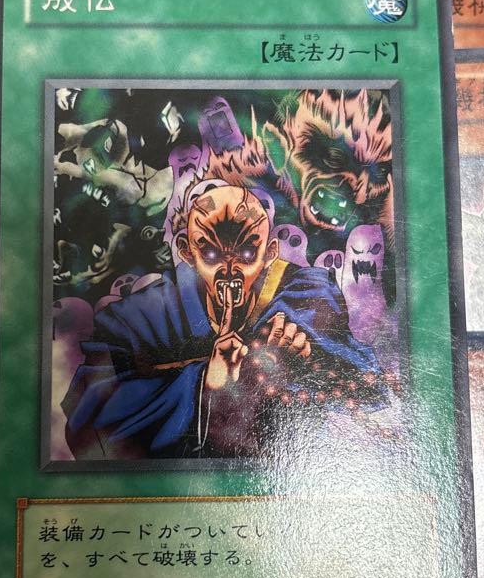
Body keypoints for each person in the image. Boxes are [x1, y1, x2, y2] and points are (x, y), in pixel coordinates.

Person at [63, 183, 382, 459]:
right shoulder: (146, 314)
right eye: (212, 255)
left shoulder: (303, 292)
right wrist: (203, 383)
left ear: (270, 252)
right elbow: (85, 415)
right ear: (187, 252)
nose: (230, 271)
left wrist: (306, 355)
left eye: (246, 254)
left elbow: (369, 385)